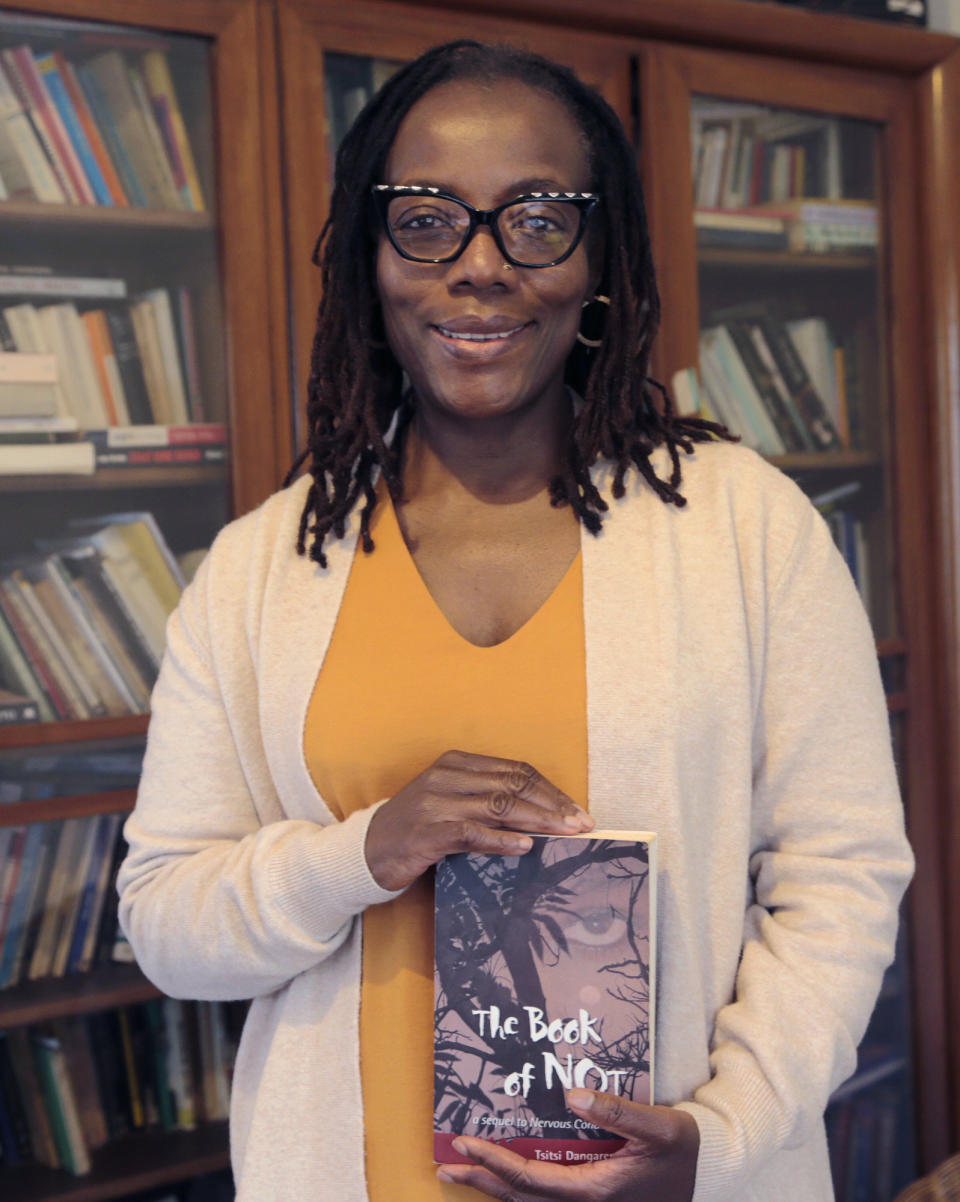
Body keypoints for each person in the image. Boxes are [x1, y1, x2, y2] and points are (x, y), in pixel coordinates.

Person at [117, 39, 914, 1202]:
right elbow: (165, 921)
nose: (480, 265)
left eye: (536, 218)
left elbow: (840, 875)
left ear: (599, 258)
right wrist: (364, 850)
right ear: (369, 255)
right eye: (427, 218)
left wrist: (722, 1133)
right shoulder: (257, 573)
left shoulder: (747, 528)